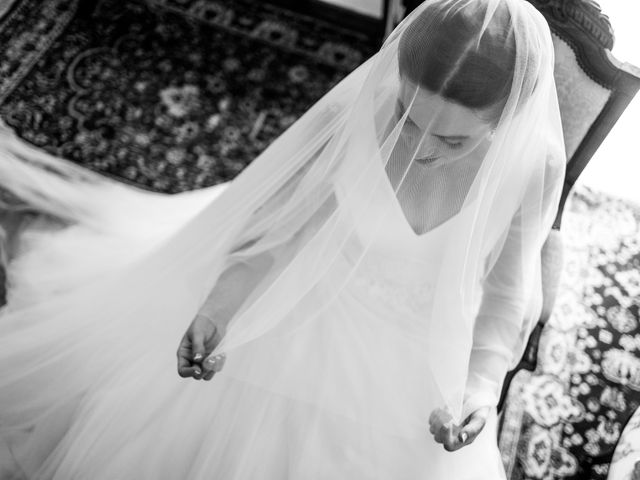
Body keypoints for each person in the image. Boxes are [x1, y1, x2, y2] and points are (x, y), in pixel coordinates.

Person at [0, 0, 565, 477]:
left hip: (421, 348)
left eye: (451, 139)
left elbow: (508, 293)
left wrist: (479, 390)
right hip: (307, 300)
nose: (419, 147)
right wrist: (221, 306)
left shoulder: (530, 162)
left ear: (505, 121)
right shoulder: (356, 114)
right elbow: (279, 224)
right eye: (407, 115)